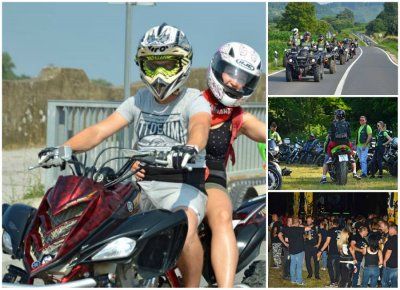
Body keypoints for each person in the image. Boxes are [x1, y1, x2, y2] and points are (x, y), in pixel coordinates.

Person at [39, 23, 211, 288]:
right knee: (97, 219)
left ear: (184, 64)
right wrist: (64, 149)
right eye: (152, 65)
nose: (160, 74)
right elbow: (99, 130)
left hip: (183, 185)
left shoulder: (193, 99)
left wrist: (190, 148)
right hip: (140, 185)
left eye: (168, 65)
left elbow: (199, 127)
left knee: (184, 227)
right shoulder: (138, 101)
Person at [135, 41, 265, 287]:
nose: (235, 82)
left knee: (221, 215)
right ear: (216, 68)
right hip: (172, 174)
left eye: (244, 78)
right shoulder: (187, 102)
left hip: (210, 179)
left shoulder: (239, 117)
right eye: (231, 72)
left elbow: (270, 135)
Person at [326, 109, 360, 179]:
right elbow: (349, 135)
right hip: (345, 143)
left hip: (335, 143)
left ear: (336, 116)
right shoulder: (347, 123)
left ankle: (330, 158)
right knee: (351, 146)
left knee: (329, 146)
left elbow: (331, 134)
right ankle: (350, 156)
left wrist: (332, 139)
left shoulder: (333, 123)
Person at [278, 217, 311, 286]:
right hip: (299, 250)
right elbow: (309, 228)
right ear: (297, 222)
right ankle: (299, 280)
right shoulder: (299, 229)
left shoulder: (287, 229)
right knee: (299, 266)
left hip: (291, 250)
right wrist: (301, 225)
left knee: (292, 265)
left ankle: (293, 279)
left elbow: (286, 240)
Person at [317, 218, 341, 287]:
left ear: (332, 223)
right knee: (337, 267)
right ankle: (336, 282)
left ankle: (333, 282)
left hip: (332, 252)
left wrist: (320, 251)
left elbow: (327, 242)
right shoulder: (341, 231)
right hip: (339, 252)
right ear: (338, 224)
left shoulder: (330, 231)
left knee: (330, 266)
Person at [304, 215, 321, 280]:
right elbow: (304, 236)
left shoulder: (316, 227)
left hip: (314, 247)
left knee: (316, 261)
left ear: (312, 220)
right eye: (307, 220)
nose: (308, 221)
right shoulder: (305, 227)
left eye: (309, 220)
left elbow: (320, 236)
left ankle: (317, 275)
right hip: (307, 247)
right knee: (307, 261)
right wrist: (305, 237)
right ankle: (310, 274)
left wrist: (318, 244)